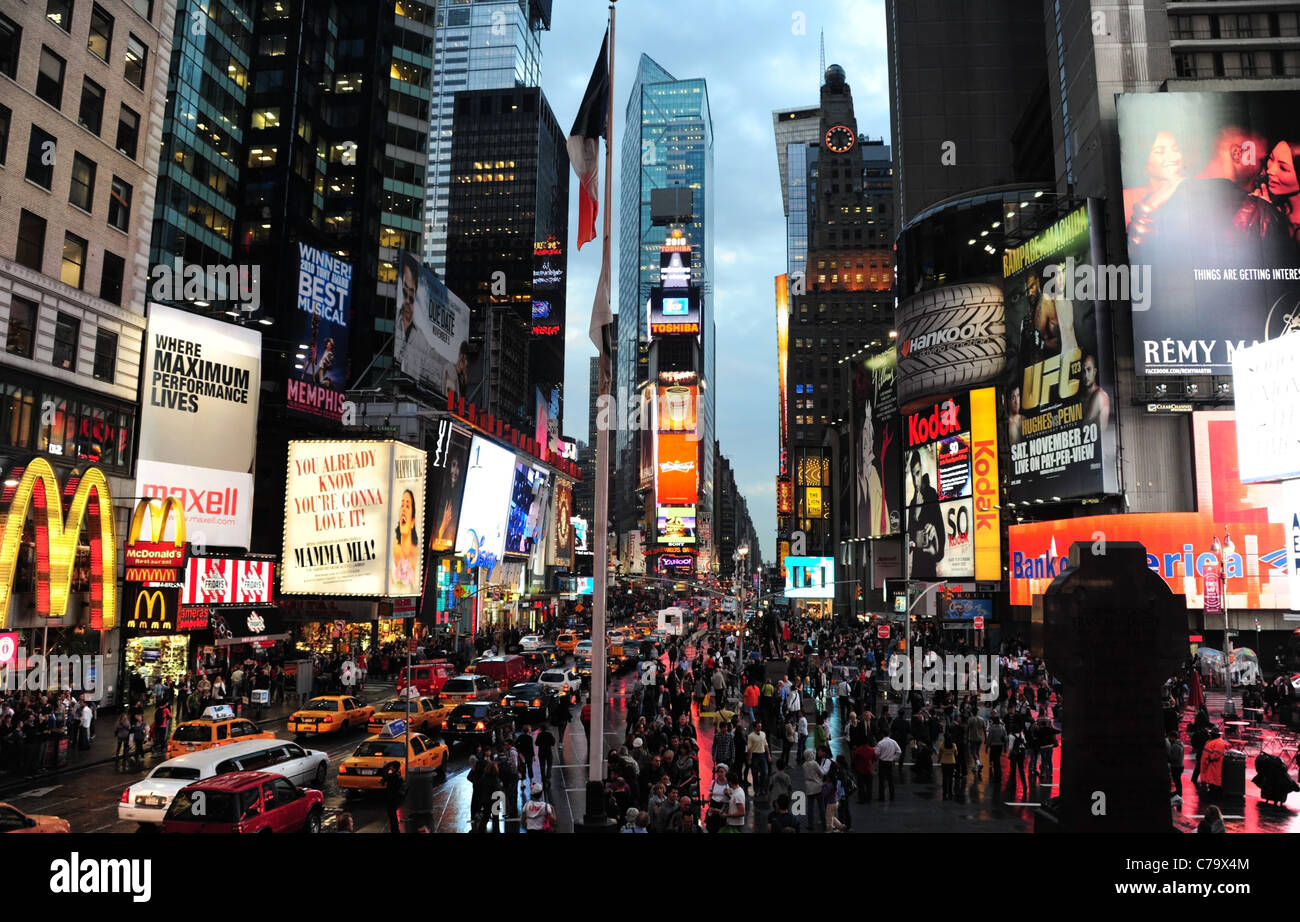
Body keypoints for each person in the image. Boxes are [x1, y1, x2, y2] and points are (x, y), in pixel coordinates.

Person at [802, 749, 826, 831]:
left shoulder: (804, 764)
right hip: (818, 787)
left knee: (810, 808)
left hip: (809, 788)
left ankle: (810, 825)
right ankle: (824, 824)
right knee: (821, 807)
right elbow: (821, 773)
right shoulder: (815, 763)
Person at [875, 728, 901, 801]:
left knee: (881, 780)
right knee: (890, 780)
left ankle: (882, 797)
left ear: (882, 734)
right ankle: (892, 797)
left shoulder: (880, 743)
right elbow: (899, 751)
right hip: (890, 762)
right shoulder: (893, 742)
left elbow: (876, 753)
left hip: (882, 763)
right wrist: (894, 758)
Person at [851, 735, 875, 803]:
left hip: (860, 769)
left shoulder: (858, 750)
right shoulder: (871, 749)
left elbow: (854, 759)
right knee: (869, 785)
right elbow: (874, 758)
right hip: (869, 769)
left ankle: (862, 798)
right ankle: (869, 798)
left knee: (861, 785)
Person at [383, 763, 405, 834]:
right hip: (395, 798)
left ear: (394, 768)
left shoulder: (392, 776)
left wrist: (385, 767)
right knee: (393, 815)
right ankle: (395, 830)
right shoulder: (398, 776)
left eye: (391, 767)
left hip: (391, 798)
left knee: (392, 815)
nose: (390, 768)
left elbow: (384, 777)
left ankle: (394, 830)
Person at [986, 714, 1007, 785]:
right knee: (997, 760)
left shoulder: (992, 728)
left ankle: (997, 777)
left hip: (994, 746)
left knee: (996, 761)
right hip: (1000, 746)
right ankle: (999, 776)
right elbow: (1005, 738)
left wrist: (987, 747)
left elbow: (989, 739)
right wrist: (1005, 747)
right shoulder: (1002, 728)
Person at [939, 733, 959, 800]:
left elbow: (940, 754)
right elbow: (956, 753)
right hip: (951, 762)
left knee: (944, 777)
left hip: (944, 762)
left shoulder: (942, 745)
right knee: (950, 778)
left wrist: (939, 760)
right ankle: (950, 792)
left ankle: (944, 792)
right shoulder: (953, 745)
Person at [1167, 730, 1185, 800]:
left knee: (1177, 780)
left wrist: (1168, 758)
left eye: (1170, 737)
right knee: (1177, 780)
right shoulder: (1180, 744)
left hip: (1176, 766)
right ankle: (1178, 791)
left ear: (1174, 737)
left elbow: (1174, 758)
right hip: (1180, 765)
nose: (1169, 739)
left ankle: (1179, 792)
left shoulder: (1175, 746)